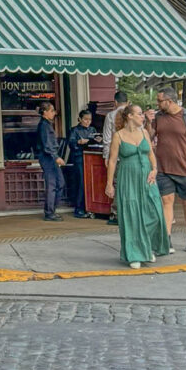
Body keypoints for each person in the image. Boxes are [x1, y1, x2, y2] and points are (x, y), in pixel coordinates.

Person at [104, 104, 170, 268]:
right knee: (132, 215)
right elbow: (112, 161)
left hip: (147, 177)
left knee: (154, 212)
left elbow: (150, 153)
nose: (143, 116)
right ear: (130, 116)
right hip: (128, 177)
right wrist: (109, 184)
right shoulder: (118, 136)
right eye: (140, 114)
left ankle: (146, 247)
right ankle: (135, 253)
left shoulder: (144, 132)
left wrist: (154, 169)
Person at [150, 87, 186, 253]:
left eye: (160, 100)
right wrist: (147, 121)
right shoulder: (158, 117)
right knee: (166, 201)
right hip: (163, 168)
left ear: (170, 101)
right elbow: (149, 136)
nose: (157, 103)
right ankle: (167, 239)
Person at [102, 90, 129, 225]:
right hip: (132, 156)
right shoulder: (133, 114)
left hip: (117, 155)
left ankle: (117, 213)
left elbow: (107, 139)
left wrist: (106, 156)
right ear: (128, 102)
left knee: (118, 184)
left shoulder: (110, 116)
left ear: (115, 102)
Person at [36, 102, 66, 222]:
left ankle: (52, 210)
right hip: (48, 157)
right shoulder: (44, 126)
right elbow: (47, 145)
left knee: (60, 183)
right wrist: (56, 157)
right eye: (52, 110)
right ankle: (49, 212)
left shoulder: (47, 125)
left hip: (50, 157)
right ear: (45, 112)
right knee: (53, 184)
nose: (54, 113)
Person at [67, 109, 96, 218]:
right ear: (80, 119)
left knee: (90, 182)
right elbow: (71, 143)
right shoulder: (74, 130)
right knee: (81, 182)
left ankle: (90, 206)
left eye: (89, 120)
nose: (87, 122)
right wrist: (78, 142)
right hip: (79, 158)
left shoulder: (92, 129)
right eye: (85, 119)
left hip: (91, 158)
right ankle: (79, 208)